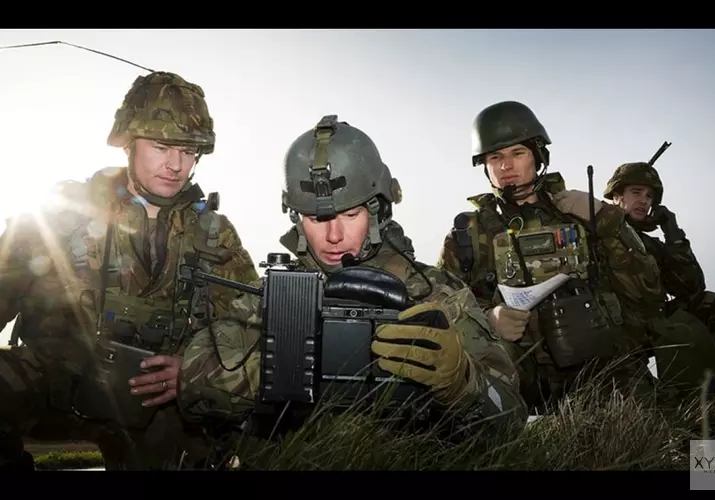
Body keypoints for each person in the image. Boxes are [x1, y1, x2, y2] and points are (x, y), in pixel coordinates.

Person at [177, 115, 529, 456]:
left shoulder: (436, 294)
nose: (333, 236)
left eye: (350, 215)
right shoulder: (271, 296)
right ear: (296, 217)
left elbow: (510, 421)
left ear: (377, 211)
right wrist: (281, 368)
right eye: (317, 218)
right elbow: (193, 387)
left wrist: (460, 380)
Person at [0, 71, 259, 471]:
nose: (176, 165)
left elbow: (250, 327)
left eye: (189, 152)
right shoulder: (63, 210)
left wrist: (192, 375)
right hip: (54, 379)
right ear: (128, 142)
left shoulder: (215, 234)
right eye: (161, 147)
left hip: (155, 399)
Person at [435, 100, 656, 413]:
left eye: (517, 153)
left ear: (538, 156)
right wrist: (487, 318)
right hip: (519, 374)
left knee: (660, 435)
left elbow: (646, 289)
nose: (505, 166)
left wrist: (607, 219)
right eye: (495, 157)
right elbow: (439, 307)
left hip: (601, 362)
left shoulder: (581, 213)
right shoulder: (467, 234)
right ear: (484, 165)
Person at [603, 161, 715, 383]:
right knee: (645, 401)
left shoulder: (653, 245)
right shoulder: (598, 232)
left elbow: (692, 287)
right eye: (636, 192)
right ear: (617, 195)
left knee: (711, 303)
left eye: (649, 196)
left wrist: (673, 233)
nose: (643, 200)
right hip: (614, 326)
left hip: (649, 322)